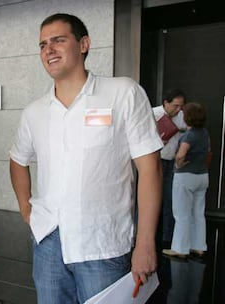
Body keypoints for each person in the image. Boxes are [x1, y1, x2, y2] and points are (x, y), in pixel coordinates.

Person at [9, 13, 163, 303]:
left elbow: (150, 168)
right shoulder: (35, 111)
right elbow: (18, 159)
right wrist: (26, 209)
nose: (48, 50)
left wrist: (145, 242)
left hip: (102, 244)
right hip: (49, 243)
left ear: (84, 44)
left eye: (58, 40)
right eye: (43, 44)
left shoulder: (122, 93)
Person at [163, 102, 210, 258]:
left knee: (182, 213)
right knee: (198, 212)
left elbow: (181, 154)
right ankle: (199, 246)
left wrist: (178, 163)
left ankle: (180, 249)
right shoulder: (204, 133)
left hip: (186, 176)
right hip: (202, 176)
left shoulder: (188, 135)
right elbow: (208, 152)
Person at [153, 89, 187, 249]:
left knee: (169, 199)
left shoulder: (182, 117)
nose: (178, 109)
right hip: (154, 161)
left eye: (181, 106)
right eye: (175, 105)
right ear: (166, 103)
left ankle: (167, 238)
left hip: (171, 162)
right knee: (151, 199)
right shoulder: (153, 113)